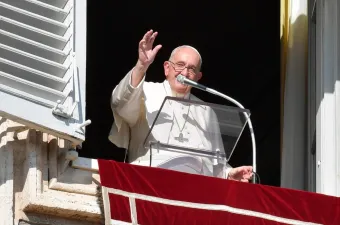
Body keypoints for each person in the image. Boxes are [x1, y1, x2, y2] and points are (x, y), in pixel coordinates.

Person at [109, 29, 253, 182]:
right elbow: (119, 103)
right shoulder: (145, 91)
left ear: (198, 77)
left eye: (192, 69)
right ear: (167, 68)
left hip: (195, 189)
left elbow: (215, 163)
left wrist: (229, 174)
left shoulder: (206, 111)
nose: (184, 73)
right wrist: (141, 66)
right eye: (180, 65)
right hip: (148, 182)